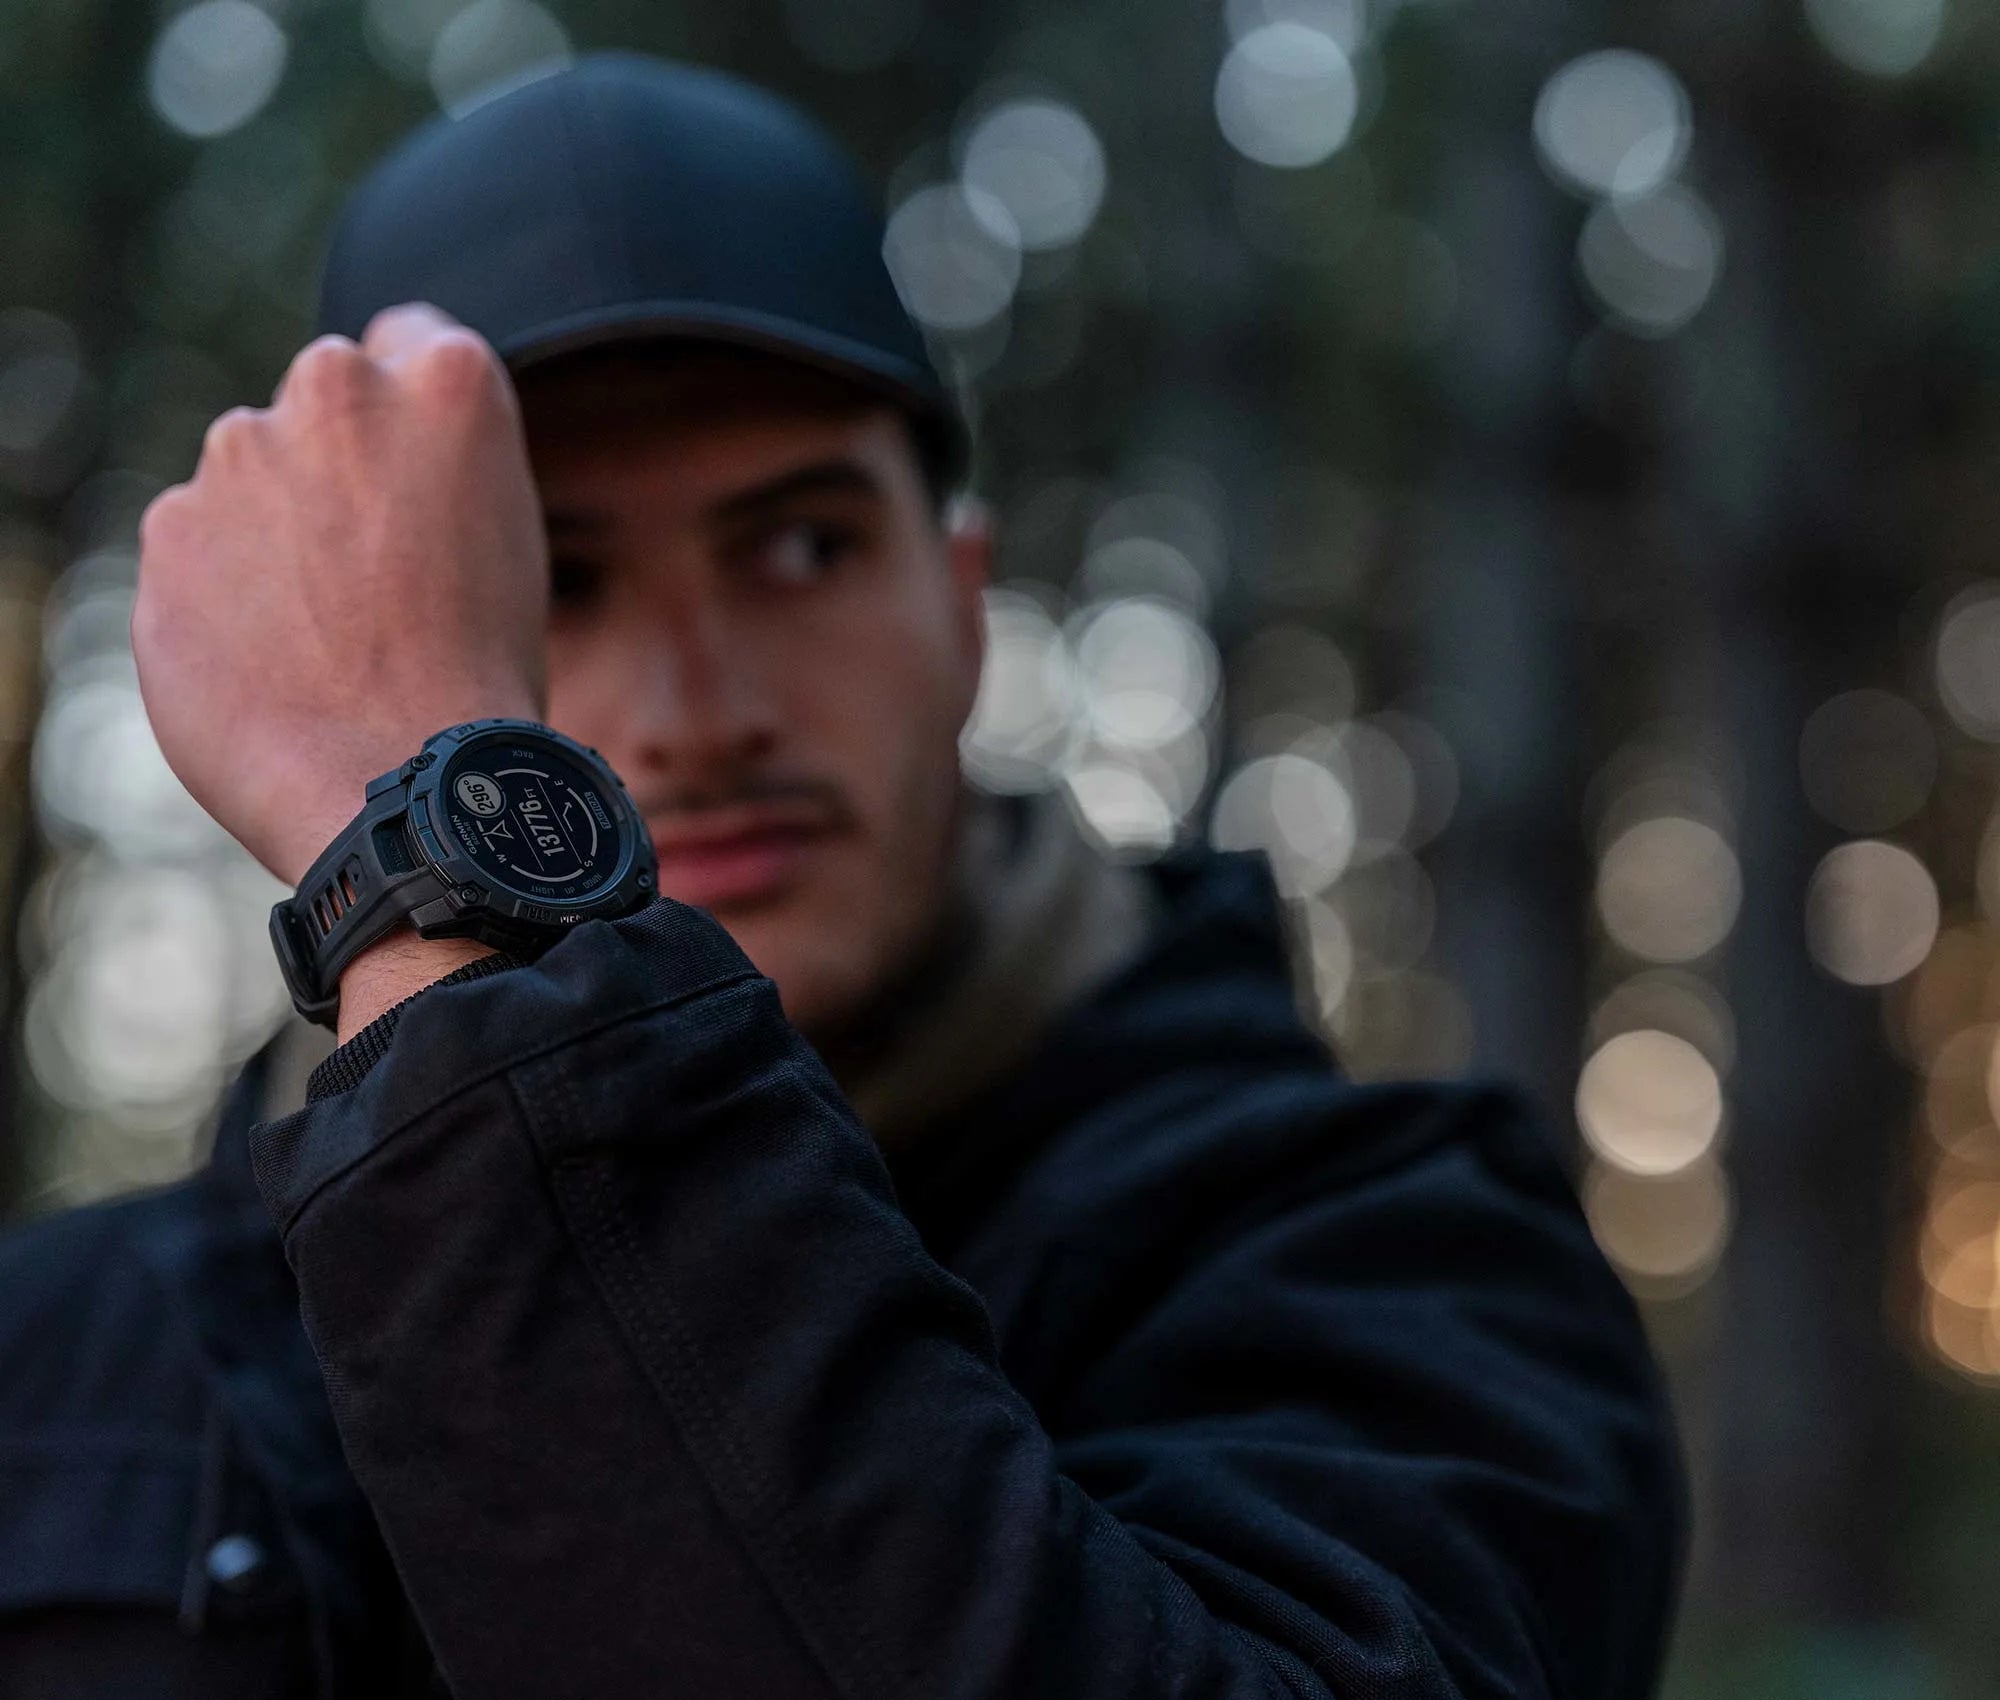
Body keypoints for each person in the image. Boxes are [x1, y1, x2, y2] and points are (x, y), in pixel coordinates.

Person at [0, 52, 1683, 1700]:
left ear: (961, 604)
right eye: (550, 579)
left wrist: (434, 884)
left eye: (802, 547)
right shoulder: (68, 1353)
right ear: (351, 624)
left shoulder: (1402, 1260)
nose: (700, 710)